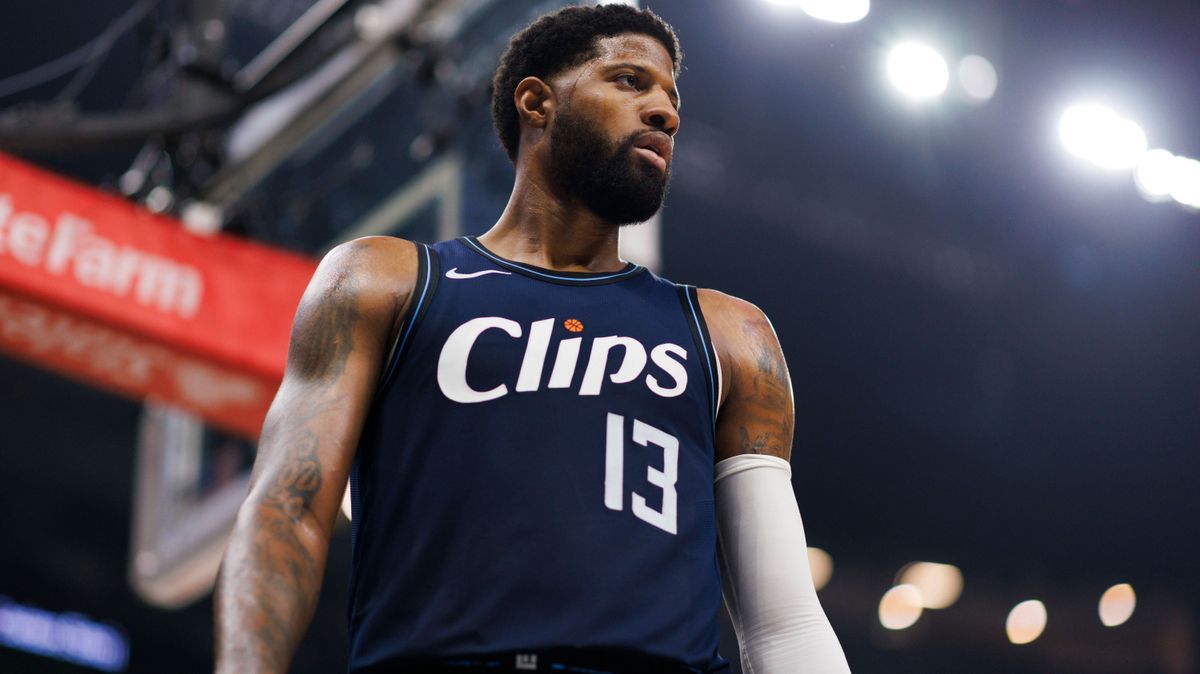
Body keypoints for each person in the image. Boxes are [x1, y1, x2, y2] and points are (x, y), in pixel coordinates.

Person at [214, 5, 851, 673]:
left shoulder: (730, 333)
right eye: (631, 81)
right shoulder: (382, 280)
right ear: (536, 102)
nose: (666, 112)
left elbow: (782, 623)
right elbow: (288, 510)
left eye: (671, 96)